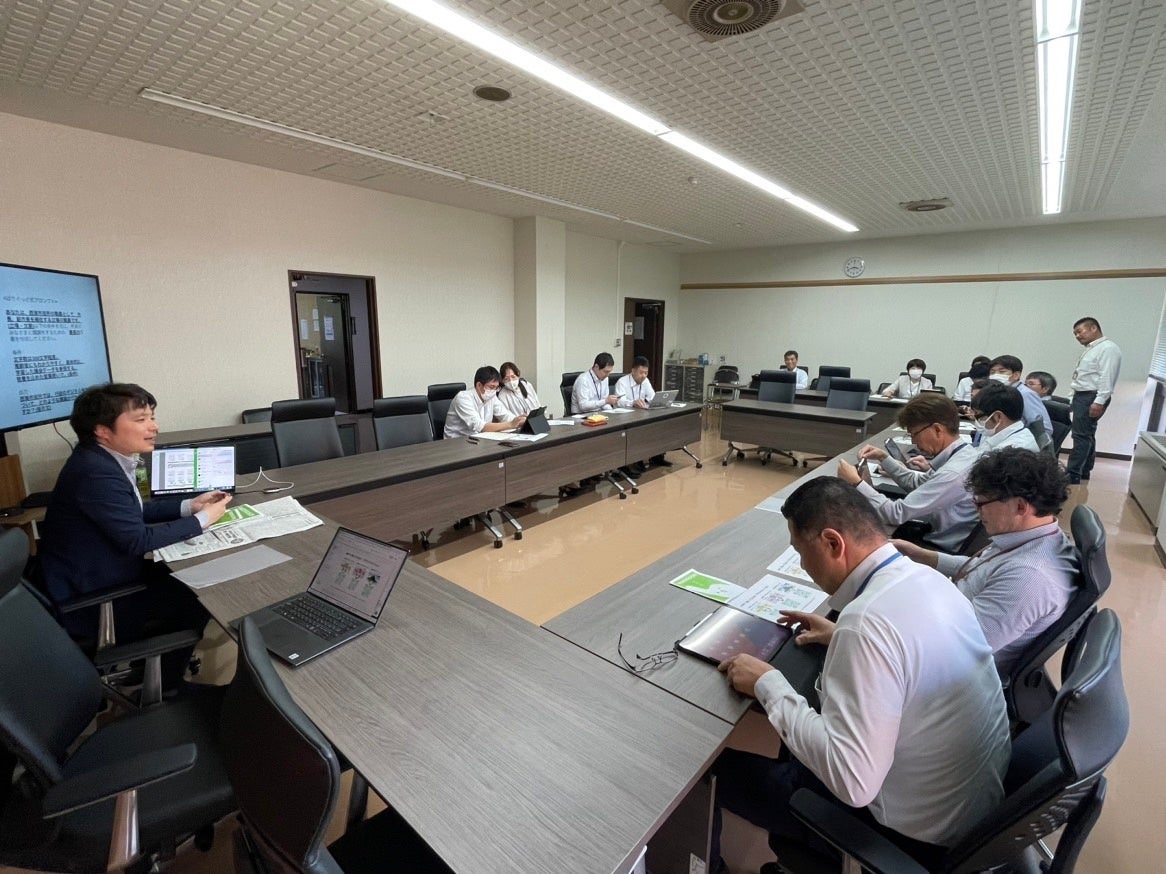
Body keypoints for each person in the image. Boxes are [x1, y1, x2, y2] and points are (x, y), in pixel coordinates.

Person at [711, 477, 1009, 868]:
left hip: (910, 837)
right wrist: (840, 635)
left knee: (719, 768)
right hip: (967, 807)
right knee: (798, 726)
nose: (802, 566)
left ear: (832, 543)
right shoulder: (929, 580)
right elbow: (911, 654)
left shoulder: (866, 623)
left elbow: (853, 784)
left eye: (801, 552)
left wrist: (767, 684)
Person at [38, 383, 232, 688]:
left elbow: (132, 510)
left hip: (103, 573)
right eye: (141, 419)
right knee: (197, 593)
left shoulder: (102, 458)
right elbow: (137, 540)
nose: (154, 426)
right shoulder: (96, 472)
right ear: (103, 430)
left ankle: (154, 665)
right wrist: (203, 520)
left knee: (190, 576)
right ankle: (166, 684)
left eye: (151, 417)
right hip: (93, 595)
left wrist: (189, 506)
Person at [893, 448, 1077, 676]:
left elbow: (955, 649)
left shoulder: (1029, 578)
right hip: (946, 618)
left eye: (981, 503)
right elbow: (985, 569)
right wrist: (922, 555)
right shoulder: (1032, 536)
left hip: (950, 672)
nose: (976, 510)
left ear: (1020, 506)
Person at [837, 394, 979, 551]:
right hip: (933, 530)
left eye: (914, 434)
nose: (913, 441)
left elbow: (895, 514)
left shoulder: (953, 473)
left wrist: (856, 483)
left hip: (934, 547)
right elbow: (918, 484)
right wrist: (883, 457)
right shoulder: (963, 453)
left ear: (937, 429)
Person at [1068, 317, 1122, 484]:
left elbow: (1107, 377)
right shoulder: (1092, 348)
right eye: (1075, 334)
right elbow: (1083, 376)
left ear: (1093, 328)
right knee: (1087, 434)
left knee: (1080, 436)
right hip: (1083, 395)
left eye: (1080, 331)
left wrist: (1099, 401)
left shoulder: (1108, 348)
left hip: (1091, 396)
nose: (1077, 336)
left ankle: (1072, 474)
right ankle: (1084, 471)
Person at [614, 356, 671, 469]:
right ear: (633, 370)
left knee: (658, 424)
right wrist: (632, 403)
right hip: (624, 417)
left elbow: (652, 397)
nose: (644, 376)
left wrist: (658, 402)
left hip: (640, 415)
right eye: (641, 372)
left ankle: (656, 456)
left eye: (646, 373)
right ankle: (631, 463)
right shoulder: (622, 382)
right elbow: (619, 401)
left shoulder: (645, 381)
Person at [443, 365, 526, 439]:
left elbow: (504, 415)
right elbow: (480, 426)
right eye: (491, 387)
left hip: (478, 440)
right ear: (479, 385)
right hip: (456, 443)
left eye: (496, 387)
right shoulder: (463, 398)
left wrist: (519, 421)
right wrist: (511, 424)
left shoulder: (491, 397)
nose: (494, 391)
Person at [988, 355, 1052, 435]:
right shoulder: (997, 392)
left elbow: (1044, 429)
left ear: (1016, 375)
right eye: (992, 372)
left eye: (1002, 372)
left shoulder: (1025, 394)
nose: (995, 375)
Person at [969, 381, 1040, 453]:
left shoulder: (1013, 450)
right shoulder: (1001, 435)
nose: (977, 420)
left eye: (978, 415)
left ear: (998, 417)